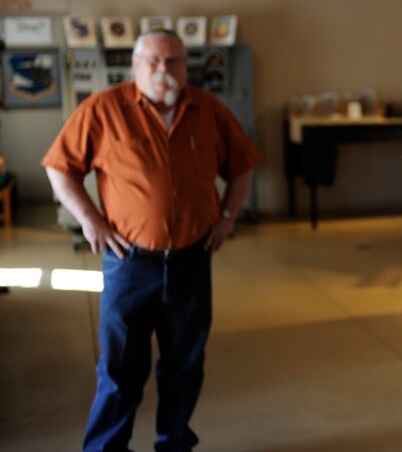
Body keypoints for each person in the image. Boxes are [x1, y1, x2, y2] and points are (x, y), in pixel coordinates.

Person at [42, 29, 260, 452]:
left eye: (174, 61)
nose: (165, 69)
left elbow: (243, 164)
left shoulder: (209, 109)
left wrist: (228, 217)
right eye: (154, 60)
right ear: (135, 64)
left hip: (191, 261)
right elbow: (58, 167)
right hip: (129, 263)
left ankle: (174, 444)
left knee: (185, 364)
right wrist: (90, 220)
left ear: (185, 65)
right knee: (120, 368)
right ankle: (106, 448)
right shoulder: (104, 109)